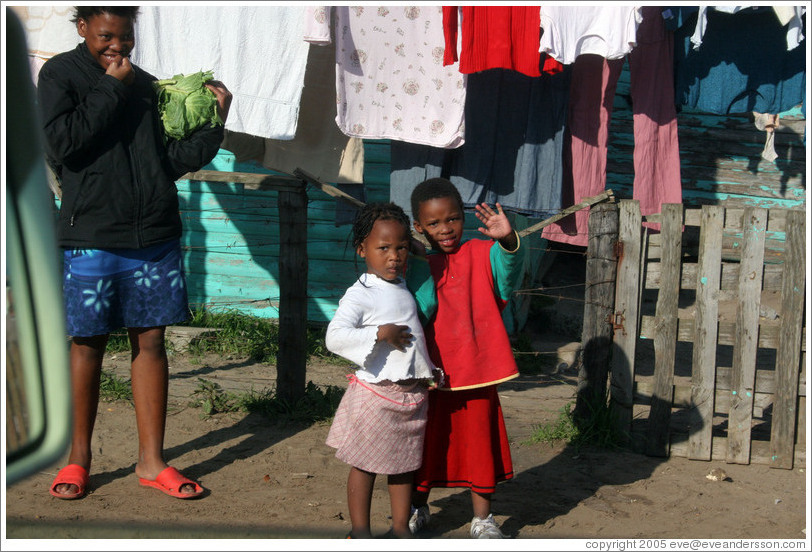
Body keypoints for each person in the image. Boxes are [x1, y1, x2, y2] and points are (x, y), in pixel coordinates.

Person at [37, 6, 232, 500]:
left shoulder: (145, 84)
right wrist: (111, 87)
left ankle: (152, 462)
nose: (117, 48)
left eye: (125, 38)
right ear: (81, 28)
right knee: (87, 344)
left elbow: (168, 162)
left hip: (153, 237)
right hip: (91, 236)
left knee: (151, 344)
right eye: (105, 36)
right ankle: (77, 460)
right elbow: (64, 146)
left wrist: (215, 123)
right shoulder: (59, 74)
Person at [406, 178, 526, 538]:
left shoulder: (481, 252)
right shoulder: (414, 260)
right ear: (419, 227)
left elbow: (509, 275)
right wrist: (412, 256)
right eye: (434, 223)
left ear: (463, 218)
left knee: (478, 443)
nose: (445, 229)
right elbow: (417, 308)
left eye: (453, 219)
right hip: (430, 370)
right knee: (423, 442)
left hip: (478, 368)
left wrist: (506, 240)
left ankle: (483, 519)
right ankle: (416, 507)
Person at [325, 202, 441, 538]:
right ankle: (360, 532)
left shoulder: (401, 284)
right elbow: (335, 337)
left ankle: (400, 529)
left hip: (410, 398)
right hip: (377, 394)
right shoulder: (360, 294)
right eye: (383, 248)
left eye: (401, 247)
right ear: (362, 250)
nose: (394, 256)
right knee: (364, 465)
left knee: (404, 466)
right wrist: (379, 333)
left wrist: (416, 250)